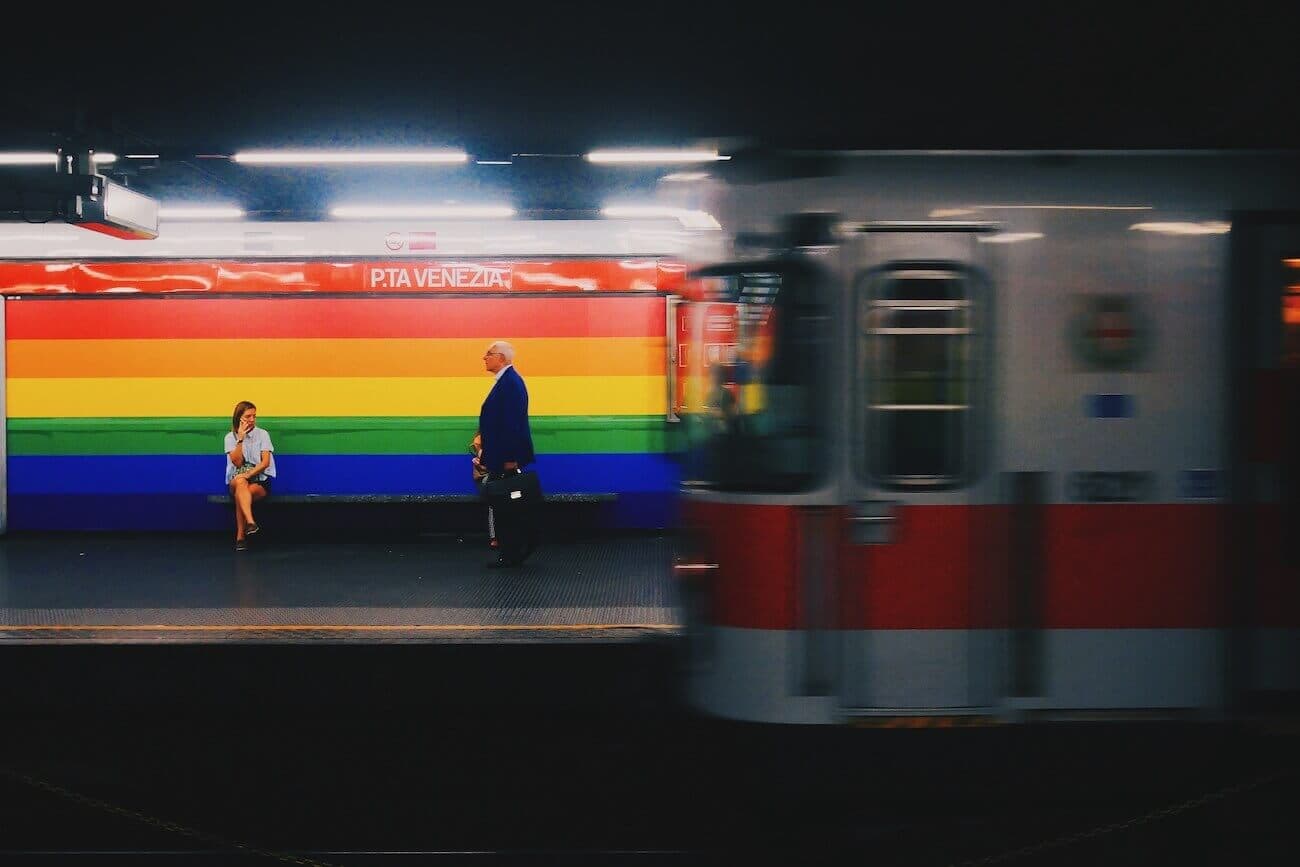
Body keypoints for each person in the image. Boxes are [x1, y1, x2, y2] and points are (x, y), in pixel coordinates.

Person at [478, 341, 536, 567]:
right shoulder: (507, 381)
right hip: (501, 458)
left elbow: (512, 424)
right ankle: (510, 551)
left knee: (507, 509)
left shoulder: (510, 383)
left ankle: (512, 552)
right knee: (505, 507)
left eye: (489, 354)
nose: (484, 358)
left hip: (506, 461)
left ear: (501, 358)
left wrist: (510, 459)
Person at [224, 400, 276, 551]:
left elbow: (265, 462)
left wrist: (248, 475)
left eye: (254, 416)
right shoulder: (230, 437)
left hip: (258, 481)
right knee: (240, 484)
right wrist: (240, 439)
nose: (252, 419)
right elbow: (237, 463)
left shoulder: (263, 434)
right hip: (237, 479)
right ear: (239, 418)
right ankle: (251, 522)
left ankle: (240, 537)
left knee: (242, 493)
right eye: (248, 416)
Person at [469, 431, 497, 550]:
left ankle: (495, 537)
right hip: (493, 477)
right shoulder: (480, 440)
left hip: (497, 476)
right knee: (493, 504)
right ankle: (495, 537)